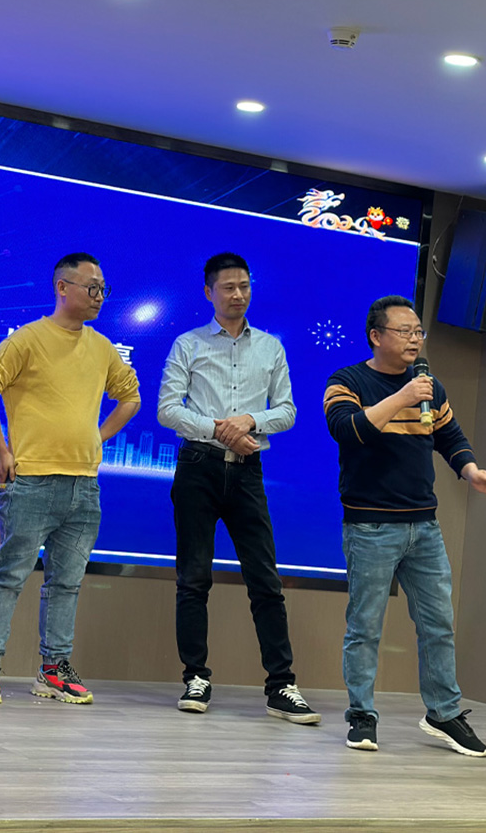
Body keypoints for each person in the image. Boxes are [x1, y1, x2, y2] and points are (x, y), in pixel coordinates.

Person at [322, 295, 486, 756]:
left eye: (418, 332)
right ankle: (362, 715)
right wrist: (401, 397)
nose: (415, 340)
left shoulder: (429, 386)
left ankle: (444, 713)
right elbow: (348, 430)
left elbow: (449, 435)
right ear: (375, 336)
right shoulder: (346, 381)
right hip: (370, 527)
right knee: (365, 627)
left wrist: (471, 471)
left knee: (438, 623)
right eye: (405, 332)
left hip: (424, 526)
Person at [0, 253, 140, 705]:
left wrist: (97, 436)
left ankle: (53, 669)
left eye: (103, 289)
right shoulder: (28, 339)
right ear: (62, 287)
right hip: (32, 481)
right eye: (91, 287)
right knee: (8, 576)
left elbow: (130, 396)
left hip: (84, 485)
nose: (99, 296)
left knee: (66, 583)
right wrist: (2, 449)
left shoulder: (102, 346)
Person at [156, 252, 318, 724]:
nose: (238, 294)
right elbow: (167, 409)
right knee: (193, 578)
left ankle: (281, 684)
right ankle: (195, 677)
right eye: (228, 287)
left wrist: (249, 420)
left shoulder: (270, 347)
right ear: (208, 292)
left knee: (265, 579)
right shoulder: (187, 344)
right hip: (197, 468)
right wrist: (219, 429)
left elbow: (287, 411)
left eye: (244, 285)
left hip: (248, 471)